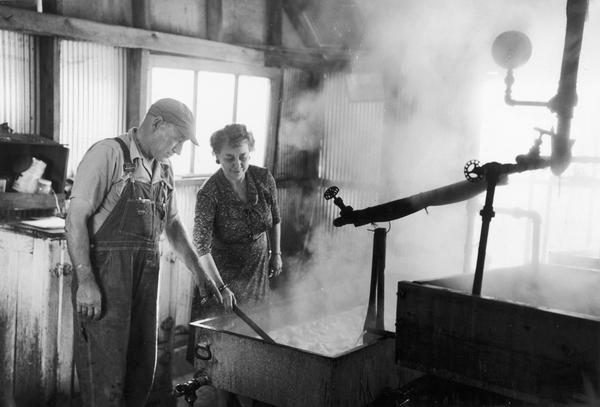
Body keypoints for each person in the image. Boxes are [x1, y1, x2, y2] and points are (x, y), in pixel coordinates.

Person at [65, 98, 229, 407]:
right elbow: (74, 220)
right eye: (177, 140)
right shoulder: (109, 154)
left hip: (143, 287)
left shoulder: (164, 167)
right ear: (156, 124)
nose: (178, 150)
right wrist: (86, 281)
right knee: (105, 377)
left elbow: (174, 224)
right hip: (104, 286)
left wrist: (200, 273)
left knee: (140, 372)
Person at [192, 123, 282, 316]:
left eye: (243, 156)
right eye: (229, 158)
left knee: (258, 326)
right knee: (227, 334)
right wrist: (221, 287)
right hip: (224, 277)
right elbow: (201, 247)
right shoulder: (209, 193)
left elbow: (275, 218)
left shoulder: (263, 178)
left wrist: (276, 254)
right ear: (217, 156)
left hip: (258, 272)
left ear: (250, 152)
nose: (237, 164)